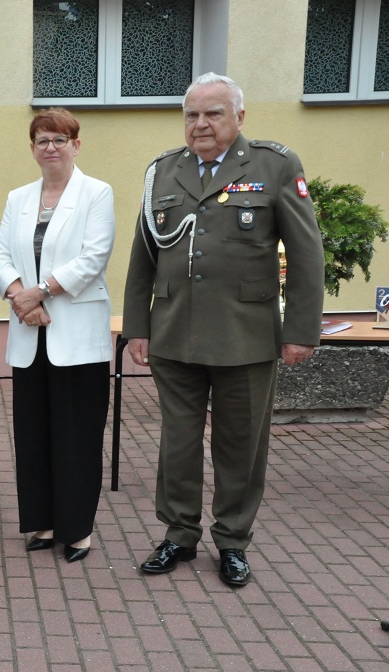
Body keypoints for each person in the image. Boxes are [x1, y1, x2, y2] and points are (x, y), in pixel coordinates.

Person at [123, 73, 325, 587]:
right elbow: (143, 258)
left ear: (239, 117)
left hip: (246, 335)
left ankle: (233, 540)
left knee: (240, 445)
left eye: (213, 113)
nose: (201, 124)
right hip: (174, 334)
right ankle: (178, 535)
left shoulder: (274, 165)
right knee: (178, 443)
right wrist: (137, 326)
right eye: (192, 114)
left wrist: (300, 330)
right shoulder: (162, 173)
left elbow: (306, 255)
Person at [0, 109, 115, 563]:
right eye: (42, 140)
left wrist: (39, 292)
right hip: (30, 336)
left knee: (77, 436)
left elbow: (93, 257)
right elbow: (0, 255)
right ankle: (41, 523)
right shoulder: (18, 197)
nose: (51, 148)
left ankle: (77, 529)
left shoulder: (96, 193)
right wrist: (20, 295)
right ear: (32, 149)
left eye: (60, 139)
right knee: (34, 433)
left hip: (76, 336)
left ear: (76, 145)